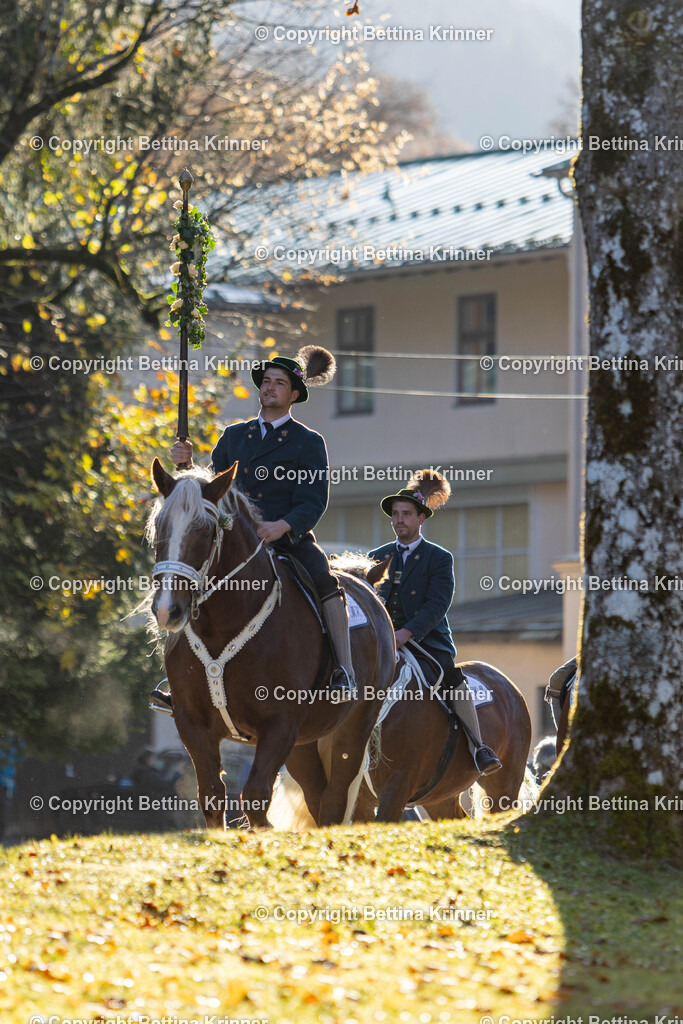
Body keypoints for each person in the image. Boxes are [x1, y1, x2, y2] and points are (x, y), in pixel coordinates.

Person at [149, 345, 356, 713]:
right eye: (267, 381)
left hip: (284, 538)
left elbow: (313, 500)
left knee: (327, 583)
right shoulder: (234, 435)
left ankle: (343, 670)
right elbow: (210, 491)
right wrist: (186, 466)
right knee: (184, 576)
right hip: (233, 538)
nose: (270, 387)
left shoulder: (308, 442)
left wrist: (283, 525)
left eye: (279, 383)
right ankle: (178, 680)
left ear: (294, 395)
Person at [368, 469, 502, 776]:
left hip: (426, 641)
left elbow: (437, 604)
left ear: (421, 519)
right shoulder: (376, 555)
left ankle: (478, 746)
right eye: (395, 514)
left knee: (453, 679)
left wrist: (406, 633)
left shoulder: (439, 557)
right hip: (382, 639)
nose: (399, 520)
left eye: (406, 514)